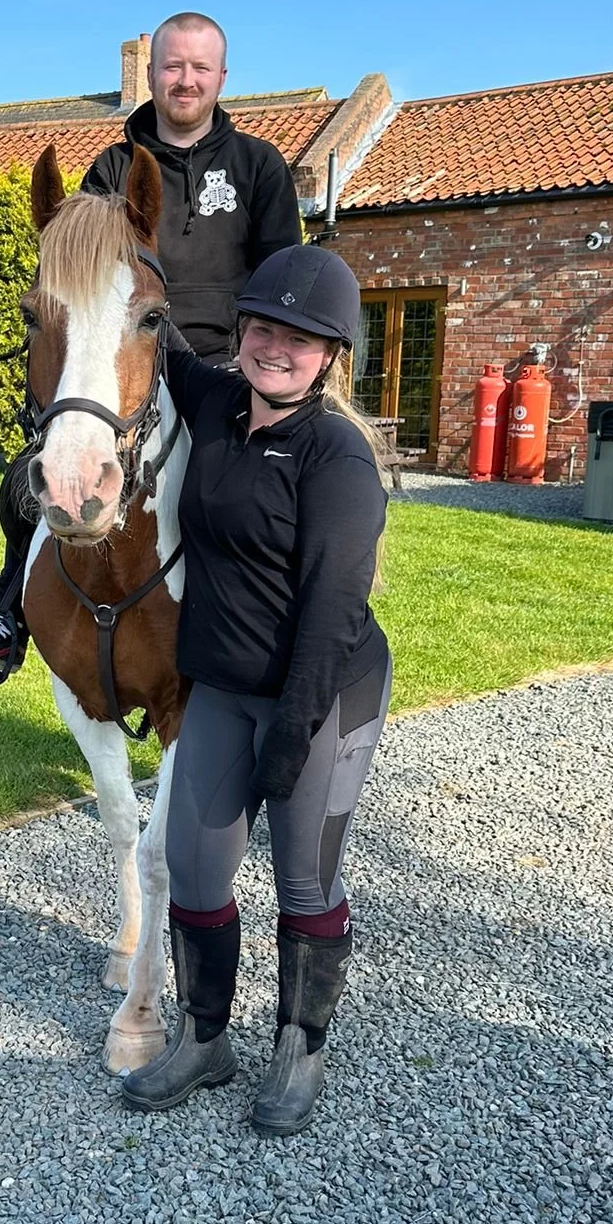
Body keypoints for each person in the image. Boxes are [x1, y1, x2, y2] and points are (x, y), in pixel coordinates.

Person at [0, 12, 302, 682]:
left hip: (224, 371)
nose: (185, 79)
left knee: (262, 492)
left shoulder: (259, 168)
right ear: (152, 72)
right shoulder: (111, 167)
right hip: (128, 364)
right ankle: (7, 615)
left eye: (199, 67)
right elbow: (85, 284)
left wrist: (260, 368)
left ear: (222, 77)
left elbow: (284, 280)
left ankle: (284, 634)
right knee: (28, 476)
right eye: (172, 65)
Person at [121, 243, 390, 1136]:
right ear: (243, 328)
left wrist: (289, 735)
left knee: (304, 880)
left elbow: (333, 611)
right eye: (264, 326)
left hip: (321, 689)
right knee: (196, 869)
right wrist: (129, 240)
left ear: (329, 357)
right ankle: (206, 1039)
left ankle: (299, 1048)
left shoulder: (337, 459)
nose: (277, 347)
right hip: (222, 686)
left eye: (301, 338)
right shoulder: (216, 399)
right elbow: (151, 338)